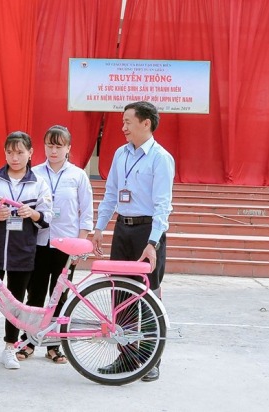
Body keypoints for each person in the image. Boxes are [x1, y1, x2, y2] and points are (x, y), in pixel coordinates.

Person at [91, 101, 174, 382]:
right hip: (123, 231)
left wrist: (153, 243)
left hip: (147, 232)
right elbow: (111, 193)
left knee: (149, 296)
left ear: (145, 123)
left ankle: (151, 359)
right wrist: (99, 227)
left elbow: (162, 205)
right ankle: (126, 357)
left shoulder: (160, 158)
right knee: (121, 296)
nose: (123, 127)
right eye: (123, 121)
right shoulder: (120, 154)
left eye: (128, 121)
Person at [0, 131, 52, 370]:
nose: (15, 158)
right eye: (10, 152)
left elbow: (48, 216)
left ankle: (10, 348)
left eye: (20, 152)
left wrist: (32, 213)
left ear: (30, 153)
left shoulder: (38, 183)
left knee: (15, 303)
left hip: (22, 251)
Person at [16, 125, 94, 364]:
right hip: (39, 242)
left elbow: (86, 212)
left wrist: (81, 243)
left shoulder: (78, 175)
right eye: (49, 145)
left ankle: (53, 345)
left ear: (68, 148)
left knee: (59, 296)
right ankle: (29, 341)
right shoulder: (34, 173)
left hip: (67, 245)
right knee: (35, 293)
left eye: (59, 146)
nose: (53, 151)